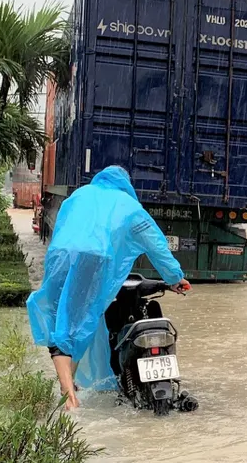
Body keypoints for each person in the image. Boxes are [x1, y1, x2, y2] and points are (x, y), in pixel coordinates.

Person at [27, 166, 190, 411]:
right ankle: (69, 394)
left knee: (62, 320)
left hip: (61, 257)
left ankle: (67, 389)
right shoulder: (131, 207)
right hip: (92, 260)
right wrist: (176, 278)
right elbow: (157, 247)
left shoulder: (79, 196)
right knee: (76, 324)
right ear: (125, 184)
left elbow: (61, 229)